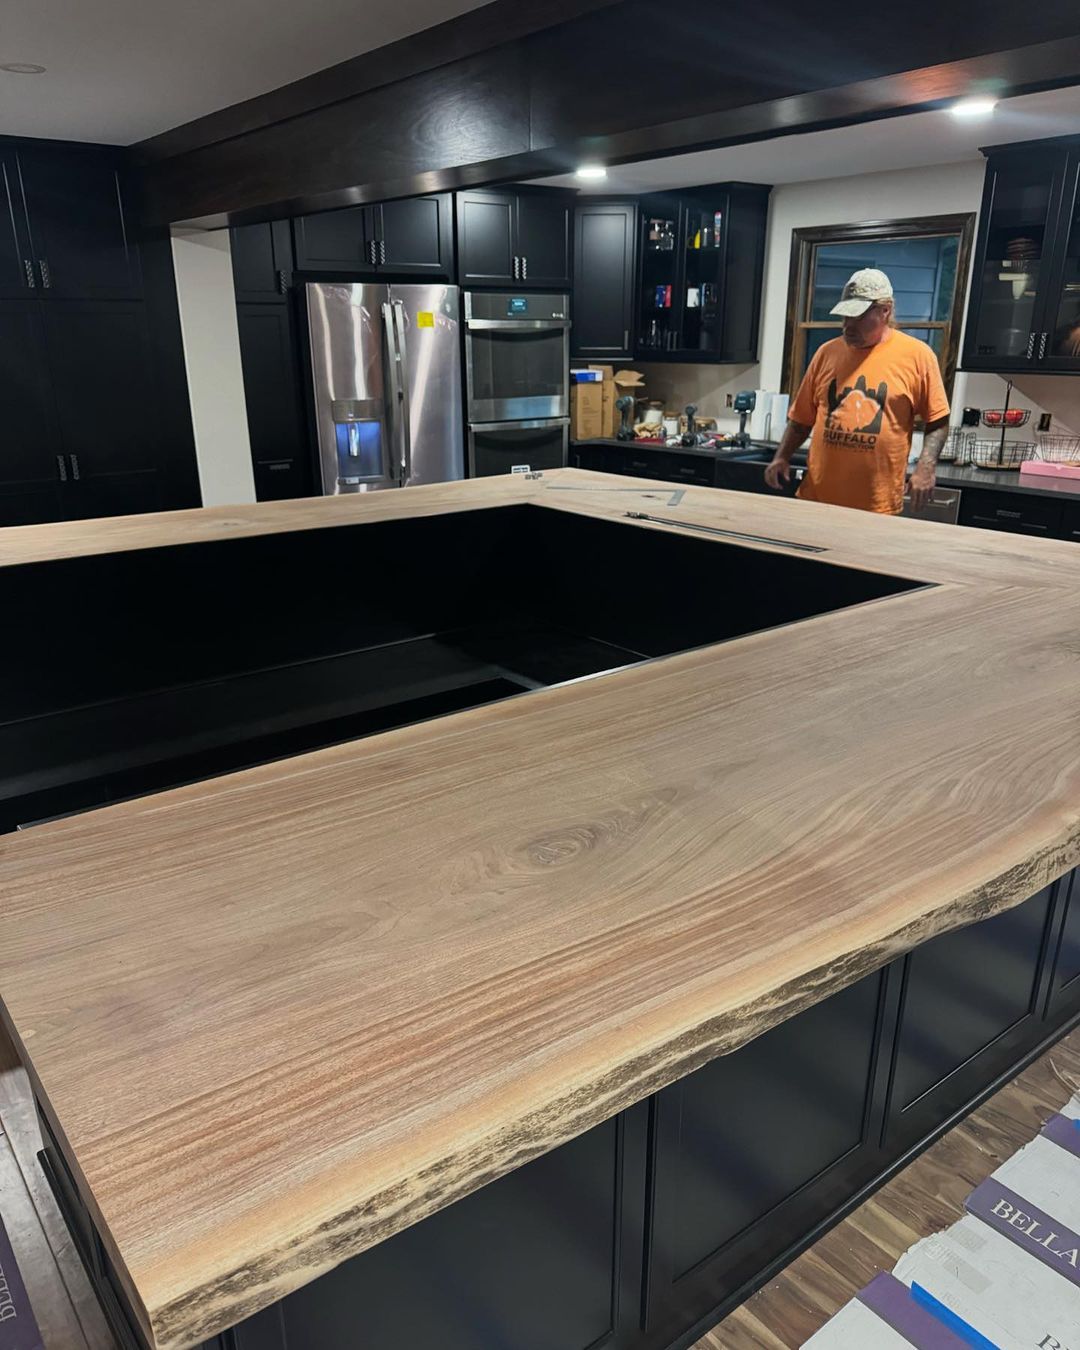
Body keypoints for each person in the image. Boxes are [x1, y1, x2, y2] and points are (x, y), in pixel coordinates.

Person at [765, 269, 950, 514]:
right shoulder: (826, 353)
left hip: (876, 507)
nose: (848, 326)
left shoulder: (918, 356)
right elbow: (801, 419)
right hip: (815, 500)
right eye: (845, 316)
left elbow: (938, 420)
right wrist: (781, 456)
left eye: (858, 317)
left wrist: (926, 468)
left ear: (885, 310)